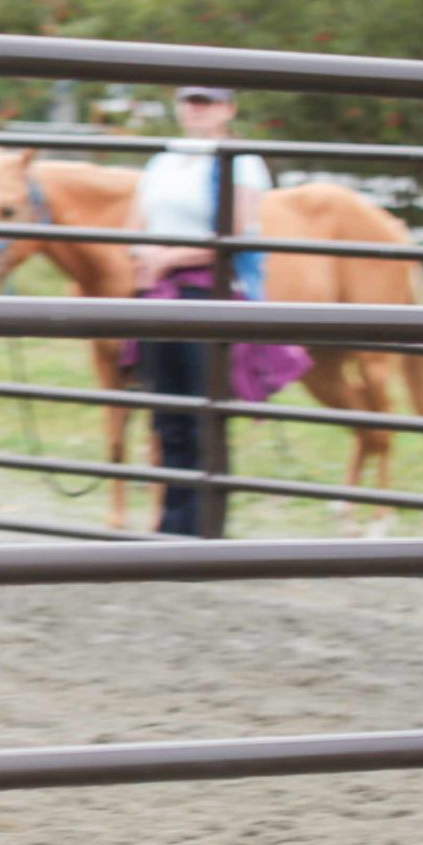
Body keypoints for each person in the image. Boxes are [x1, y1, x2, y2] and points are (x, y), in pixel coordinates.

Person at [129, 86, 271, 536]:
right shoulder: (163, 161)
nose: (195, 110)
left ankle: (204, 524)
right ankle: (172, 522)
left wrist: (166, 258)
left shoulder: (241, 161)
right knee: (167, 412)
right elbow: (136, 222)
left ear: (228, 109)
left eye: (205, 102)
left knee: (202, 411)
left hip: (206, 291)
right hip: (162, 291)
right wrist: (146, 255)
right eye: (189, 102)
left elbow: (233, 231)